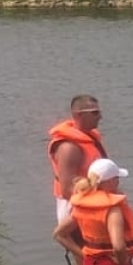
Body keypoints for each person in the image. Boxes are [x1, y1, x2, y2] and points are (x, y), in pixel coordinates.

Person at [48, 94, 108, 225]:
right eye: (94, 113)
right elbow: (67, 191)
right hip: (76, 213)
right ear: (78, 115)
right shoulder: (69, 148)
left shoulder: (91, 139)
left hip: (95, 206)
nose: (100, 116)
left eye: (99, 112)